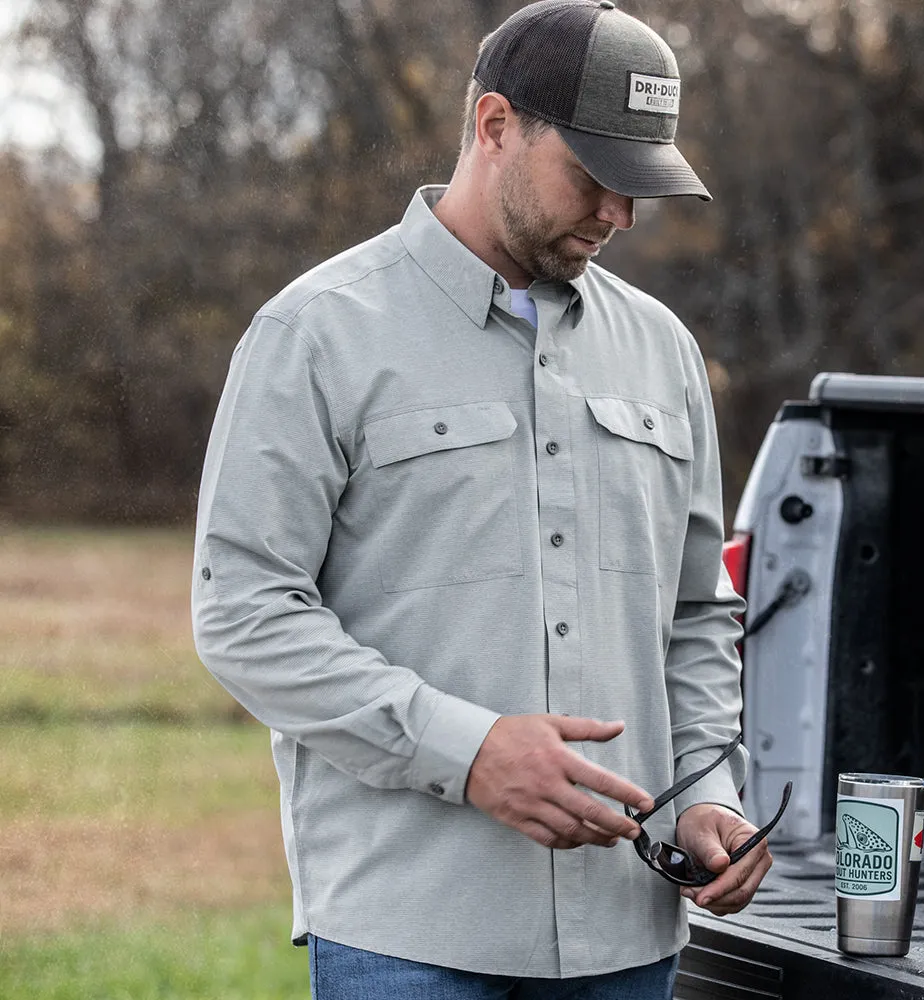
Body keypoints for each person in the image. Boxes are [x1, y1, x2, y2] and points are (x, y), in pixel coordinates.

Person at [192, 1, 777, 997]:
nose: (618, 215)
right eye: (593, 176)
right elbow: (242, 614)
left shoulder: (665, 353)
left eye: (640, 188)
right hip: (407, 934)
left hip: (627, 942)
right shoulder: (315, 335)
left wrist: (702, 793)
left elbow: (693, 615)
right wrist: (465, 753)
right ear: (495, 126)